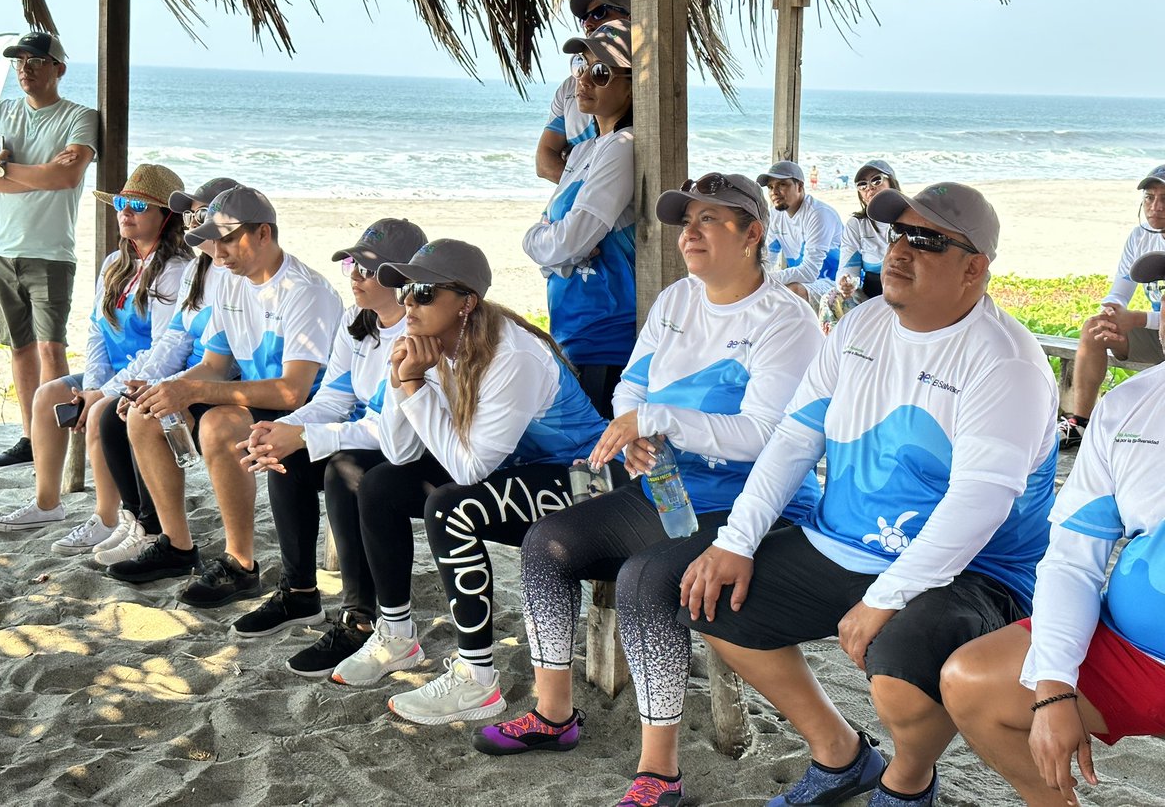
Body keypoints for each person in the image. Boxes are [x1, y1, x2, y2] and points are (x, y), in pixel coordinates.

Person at [677, 183, 1059, 807]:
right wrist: (736, 542)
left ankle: (907, 779)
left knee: (900, 668)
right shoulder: (863, 322)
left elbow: (980, 505)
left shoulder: (1004, 361)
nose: (902, 251)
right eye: (899, 234)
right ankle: (841, 756)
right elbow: (793, 440)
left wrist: (887, 598)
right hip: (846, 539)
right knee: (712, 599)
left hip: (974, 569)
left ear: (975, 267)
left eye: (928, 241)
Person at [470, 173, 824, 807]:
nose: (689, 232)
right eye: (685, 220)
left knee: (643, 579)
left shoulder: (786, 320)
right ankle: (555, 715)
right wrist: (632, 429)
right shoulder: (675, 301)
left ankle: (659, 768)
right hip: (666, 488)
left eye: (710, 220)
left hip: (751, 507)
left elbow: (765, 436)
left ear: (753, 236)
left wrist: (660, 420)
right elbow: (632, 387)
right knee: (547, 541)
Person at [325, 238, 607, 727]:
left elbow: (468, 470)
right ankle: (396, 634)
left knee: (452, 506)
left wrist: (415, 386)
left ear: (466, 302)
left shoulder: (511, 356)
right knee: (378, 485)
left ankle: (476, 679)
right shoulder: (434, 347)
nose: (407, 302)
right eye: (404, 290)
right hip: (514, 473)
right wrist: (402, 379)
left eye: (423, 292)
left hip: (585, 483)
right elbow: (399, 452)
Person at [941, 251, 1165, 807]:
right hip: (1139, 654)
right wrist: (1054, 686)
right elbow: (1071, 558)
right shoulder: (1132, 406)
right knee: (972, 681)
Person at [107, 186, 342, 610]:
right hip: (258, 394)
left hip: (312, 409)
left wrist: (193, 390)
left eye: (229, 237)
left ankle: (240, 564)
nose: (218, 250)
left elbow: (293, 391)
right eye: (214, 238)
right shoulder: (233, 282)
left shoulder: (305, 291)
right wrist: (170, 387)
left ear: (265, 234)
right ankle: (177, 547)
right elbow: (215, 364)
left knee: (218, 424)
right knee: (146, 414)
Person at [229, 218, 427, 671]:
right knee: (290, 455)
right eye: (353, 263)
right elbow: (335, 398)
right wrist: (286, 429)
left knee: (344, 471)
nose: (355, 274)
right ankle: (299, 593)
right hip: (369, 438)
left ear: (402, 279)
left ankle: (360, 617)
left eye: (368, 267)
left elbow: (392, 431)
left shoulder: (420, 333)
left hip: (418, 450)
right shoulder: (360, 322)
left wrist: (305, 435)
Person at [0, 165, 190, 552]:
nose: (124, 212)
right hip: (109, 374)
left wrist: (102, 393)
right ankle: (47, 503)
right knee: (47, 396)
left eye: (138, 206)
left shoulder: (176, 271)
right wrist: (93, 385)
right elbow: (96, 331)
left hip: (144, 379)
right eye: (122, 204)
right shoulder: (115, 264)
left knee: (97, 412)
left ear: (166, 217)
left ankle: (106, 517)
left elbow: (163, 351)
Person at [0, 31, 98, 468]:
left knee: (50, 347)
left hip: (50, 251)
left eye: (35, 61)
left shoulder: (80, 117)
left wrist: (1, 165)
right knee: (20, 348)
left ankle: (54, 437)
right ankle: (28, 438)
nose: (24, 68)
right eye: (19, 61)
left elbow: (67, 178)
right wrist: (32, 171)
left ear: (58, 68)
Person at [93, 177, 239, 567]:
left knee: (145, 411)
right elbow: (172, 342)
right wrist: (137, 385)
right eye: (189, 213)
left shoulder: (231, 275)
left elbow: (224, 364)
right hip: (197, 376)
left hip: (225, 384)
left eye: (201, 213)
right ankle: (141, 521)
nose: (192, 221)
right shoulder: (198, 271)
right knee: (115, 411)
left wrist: (165, 388)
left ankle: (163, 535)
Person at [524, 18, 635, 418]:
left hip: (606, 336)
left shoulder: (623, 146)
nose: (583, 80)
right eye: (581, 67)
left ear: (632, 84)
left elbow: (571, 240)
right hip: (572, 330)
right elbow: (556, 237)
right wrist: (552, 247)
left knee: (595, 466)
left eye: (601, 72)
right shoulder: (589, 149)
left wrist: (547, 247)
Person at [1055, 164, 1165, 450]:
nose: (1156, 207)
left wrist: (1139, 319)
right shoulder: (1140, 236)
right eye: (1149, 198)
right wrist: (1112, 314)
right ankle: (1080, 423)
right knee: (1094, 329)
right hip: (1159, 334)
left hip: (1156, 327)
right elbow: (1121, 288)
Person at [535, 0, 630, 185]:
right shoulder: (571, 86)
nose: (588, 23)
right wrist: (583, 190)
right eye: (583, 18)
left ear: (629, 17)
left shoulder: (644, 81)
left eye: (599, 12)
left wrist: (595, 188)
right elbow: (544, 160)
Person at [820, 160, 900, 331]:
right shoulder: (857, 225)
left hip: (905, 292)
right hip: (871, 295)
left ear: (891, 182)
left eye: (876, 180)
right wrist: (846, 282)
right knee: (831, 298)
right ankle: (841, 351)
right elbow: (848, 268)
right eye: (862, 185)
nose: (869, 188)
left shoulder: (909, 218)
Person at [758, 160, 843, 311]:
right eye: (770, 187)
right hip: (806, 281)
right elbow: (766, 259)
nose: (774, 192)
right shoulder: (775, 216)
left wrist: (763, 280)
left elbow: (810, 272)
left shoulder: (818, 214)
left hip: (835, 282)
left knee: (792, 291)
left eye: (782, 184)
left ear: (800, 186)